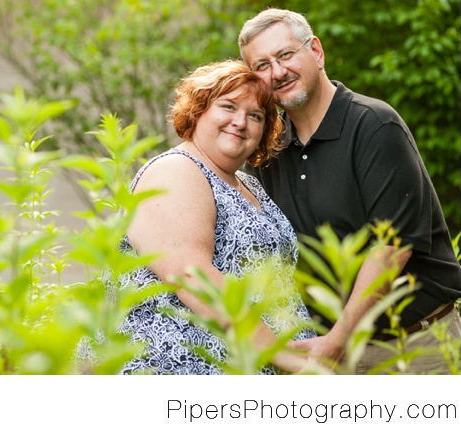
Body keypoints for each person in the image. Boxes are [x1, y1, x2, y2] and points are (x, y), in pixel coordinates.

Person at [238, 8, 461, 374]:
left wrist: (336, 341)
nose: (277, 72)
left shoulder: (374, 126)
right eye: (262, 66)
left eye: (285, 55)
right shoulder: (268, 152)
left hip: (414, 349)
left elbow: (391, 249)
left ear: (317, 51)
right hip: (324, 354)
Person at [114, 59, 316, 374]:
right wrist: (281, 354)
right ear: (198, 110)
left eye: (255, 115)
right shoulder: (176, 170)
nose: (240, 121)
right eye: (228, 106)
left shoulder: (245, 183)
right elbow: (191, 276)